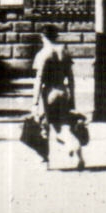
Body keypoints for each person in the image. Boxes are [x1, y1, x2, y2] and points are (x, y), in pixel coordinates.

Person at [32, 24, 83, 170]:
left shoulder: (42, 54)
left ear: (43, 37)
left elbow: (39, 79)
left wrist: (34, 102)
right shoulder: (64, 52)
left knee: (45, 126)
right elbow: (71, 78)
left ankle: (44, 160)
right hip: (63, 90)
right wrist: (72, 97)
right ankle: (79, 157)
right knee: (66, 124)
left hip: (49, 92)